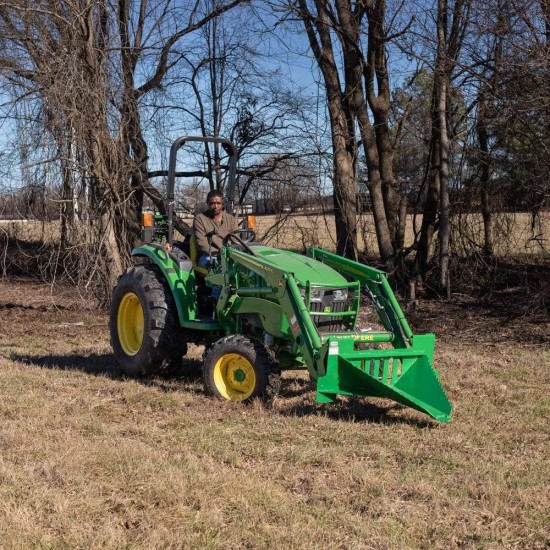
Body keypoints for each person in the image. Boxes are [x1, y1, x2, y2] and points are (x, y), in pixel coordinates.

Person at [193, 189, 238, 270]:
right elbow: (202, 244)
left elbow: (236, 240)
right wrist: (221, 254)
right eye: (212, 203)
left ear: (222, 204)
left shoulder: (231, 219)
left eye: (218, 203)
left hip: (228, 254)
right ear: (207, 203)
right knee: (219, 268)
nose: (216, 206)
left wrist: (230, 253)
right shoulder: (200, 219)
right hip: (208, 255)